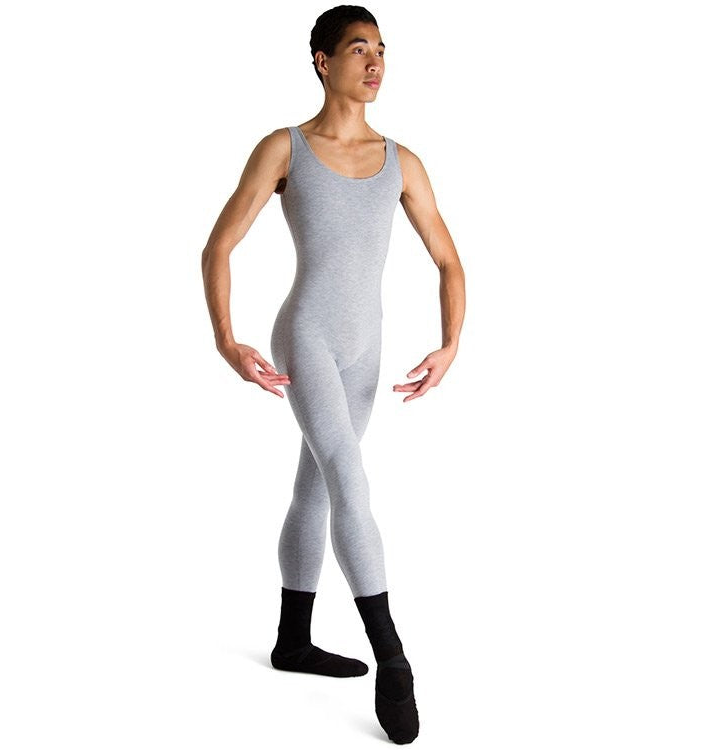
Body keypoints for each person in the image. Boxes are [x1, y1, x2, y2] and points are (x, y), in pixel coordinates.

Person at [201, 5, 466, 744]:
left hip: (366, 347)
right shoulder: (285, 148)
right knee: (349, 478)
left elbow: (449, 261)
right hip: (308, 336)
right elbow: (219, 246)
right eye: (358, 49)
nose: (375, 62)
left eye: (382, 49)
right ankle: (394, 657)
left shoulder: (402, 161)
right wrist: (226, 340)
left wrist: (450, 343)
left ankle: (293, 640)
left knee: (317, 482)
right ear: (322, 60)